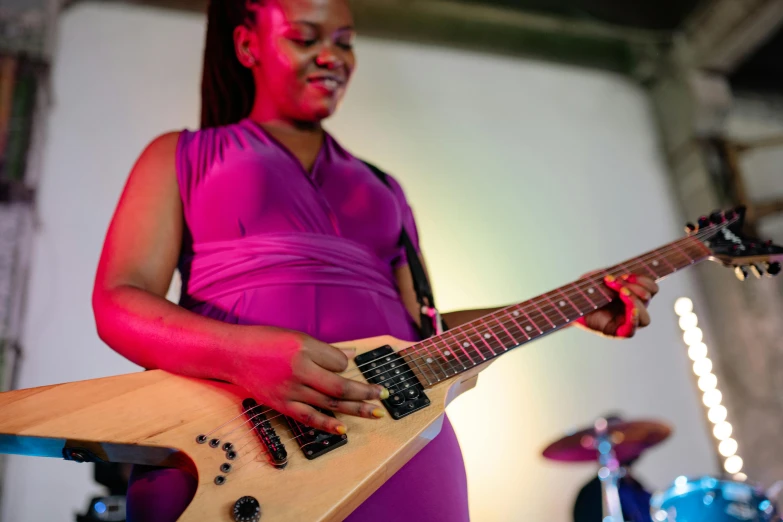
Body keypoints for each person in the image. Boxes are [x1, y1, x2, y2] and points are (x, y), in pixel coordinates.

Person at [91, 0, 660, 520]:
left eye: (344, 40)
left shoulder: (384, 188)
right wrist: (240, 355)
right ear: (248, 46)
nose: (331, 56)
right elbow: (117, 301)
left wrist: (571, 307)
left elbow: (424, 335)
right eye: (305, 38)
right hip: (225, 447)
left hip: (400, 448)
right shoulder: (181, 155)